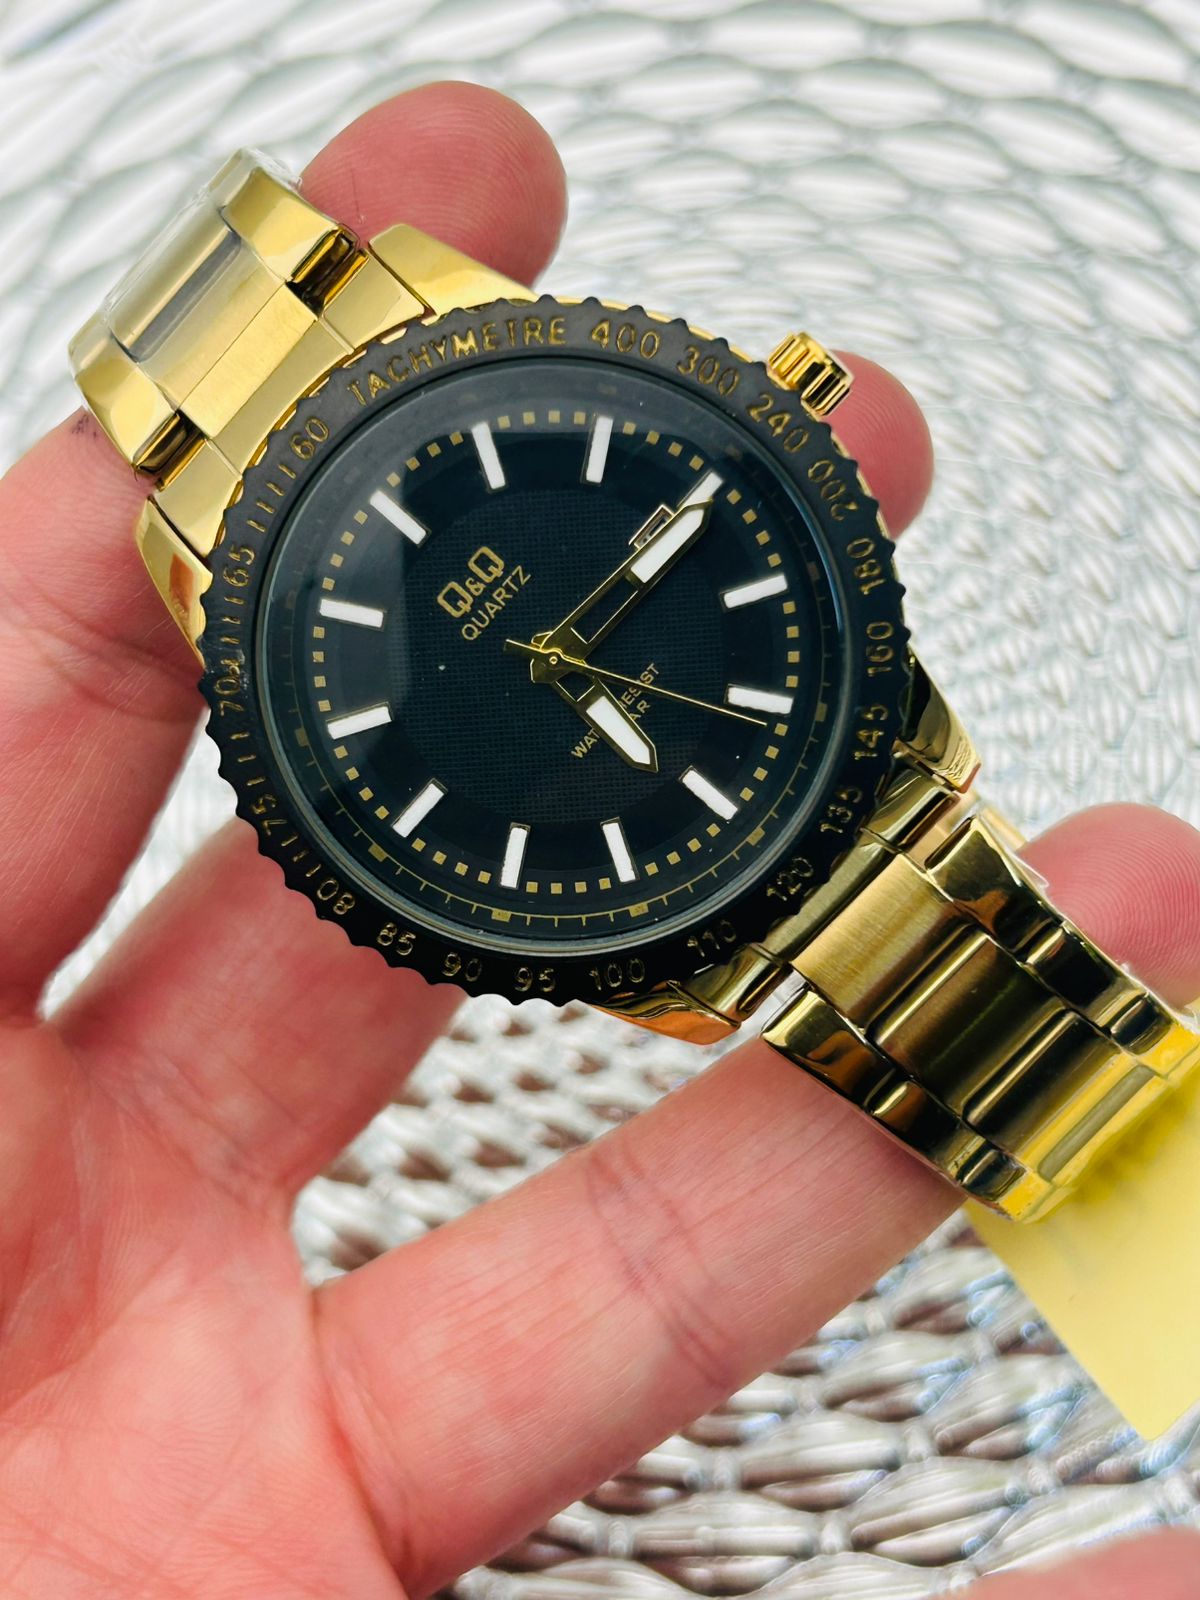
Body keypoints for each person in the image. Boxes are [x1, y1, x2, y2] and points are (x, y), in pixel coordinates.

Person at [0, 79, 1196, 1600]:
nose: (548, 661)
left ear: (775, 413)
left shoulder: (422, 378)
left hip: (820, 769)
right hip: (687, 878)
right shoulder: (212, 579)